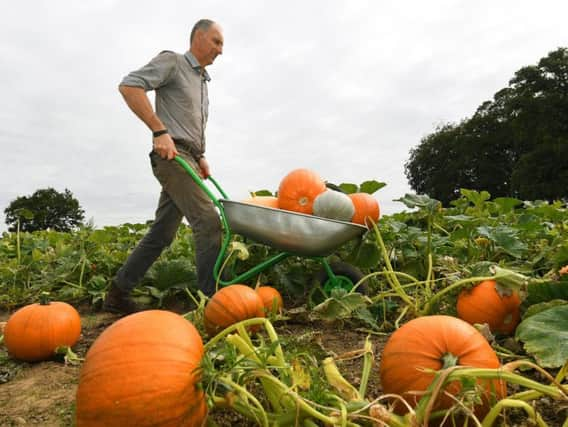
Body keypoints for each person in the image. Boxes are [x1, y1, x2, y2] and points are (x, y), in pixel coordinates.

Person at [104, 19, 224, 314]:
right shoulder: (173, 62)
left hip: (189, 159)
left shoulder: (202, 81)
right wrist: (159, 131)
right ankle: (213, 304)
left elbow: (189, 124)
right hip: (172, 158)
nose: (221, 51)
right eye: (216, 42)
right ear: (198, 37)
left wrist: (201, 155)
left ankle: (117, 293)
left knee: (162, 233)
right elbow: (129, 86)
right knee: (209, 222)